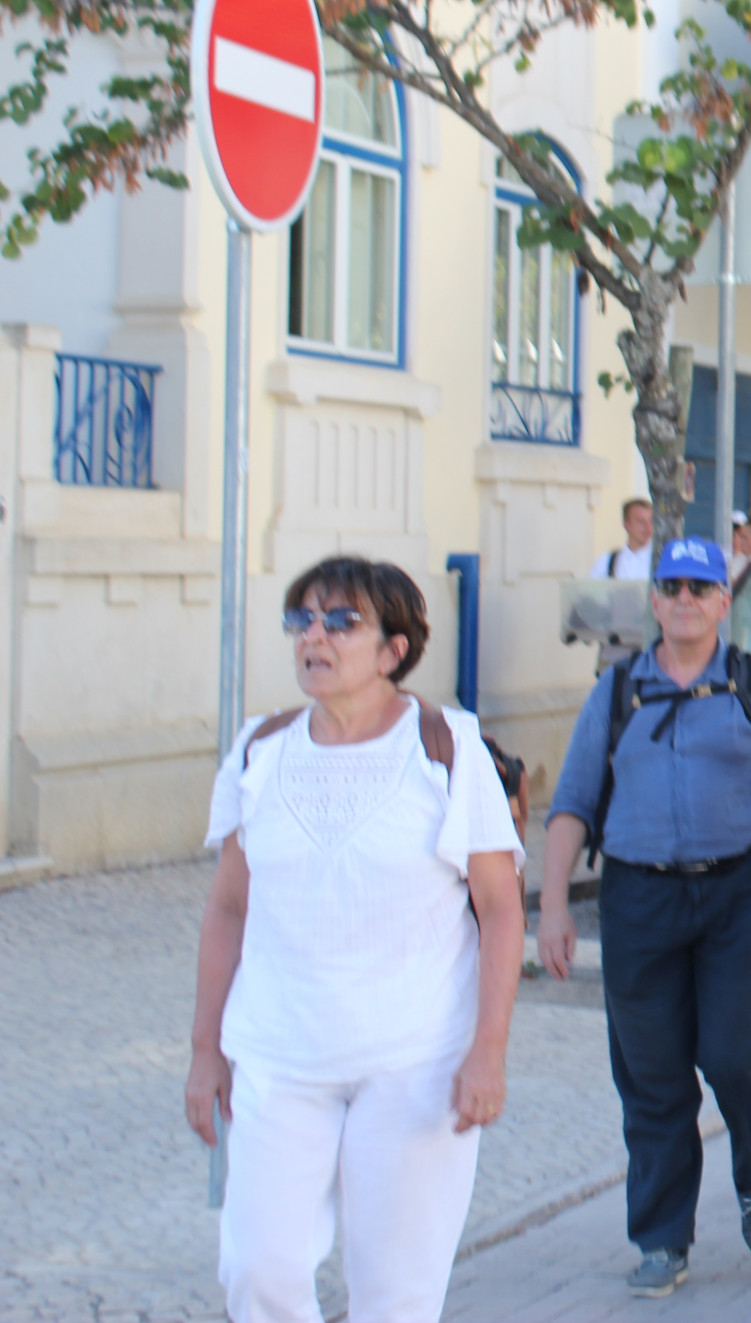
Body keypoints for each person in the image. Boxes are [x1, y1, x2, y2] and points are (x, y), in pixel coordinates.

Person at [186, 557, 522, 1323]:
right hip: (279, 1054)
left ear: (393, 649)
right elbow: (229, 909)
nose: (315, 636)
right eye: (302, 619)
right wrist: (206, 1049)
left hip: (414, 1062)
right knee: (257, 1269)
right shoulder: (259, 750)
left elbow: (501, 908)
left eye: (341, 621)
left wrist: (489, 1050)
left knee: (394, 1295)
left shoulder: (447, 746)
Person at [538, 536, 751, 1297]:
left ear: (724, 602)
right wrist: (555, 904)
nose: (686, 598)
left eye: (702, 586)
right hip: (639, 899)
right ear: (654, 600)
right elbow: (571, 803)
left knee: (739, 1055)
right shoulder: (618, 688)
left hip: (735, 894)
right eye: (673, 586)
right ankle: (662, 1236)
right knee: (653, 1075)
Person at [592, 497, 654, 579]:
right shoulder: (607, 562)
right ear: (627, 524)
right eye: (641, 522)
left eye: (651, 521)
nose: (648, 528)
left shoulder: (663, 562)